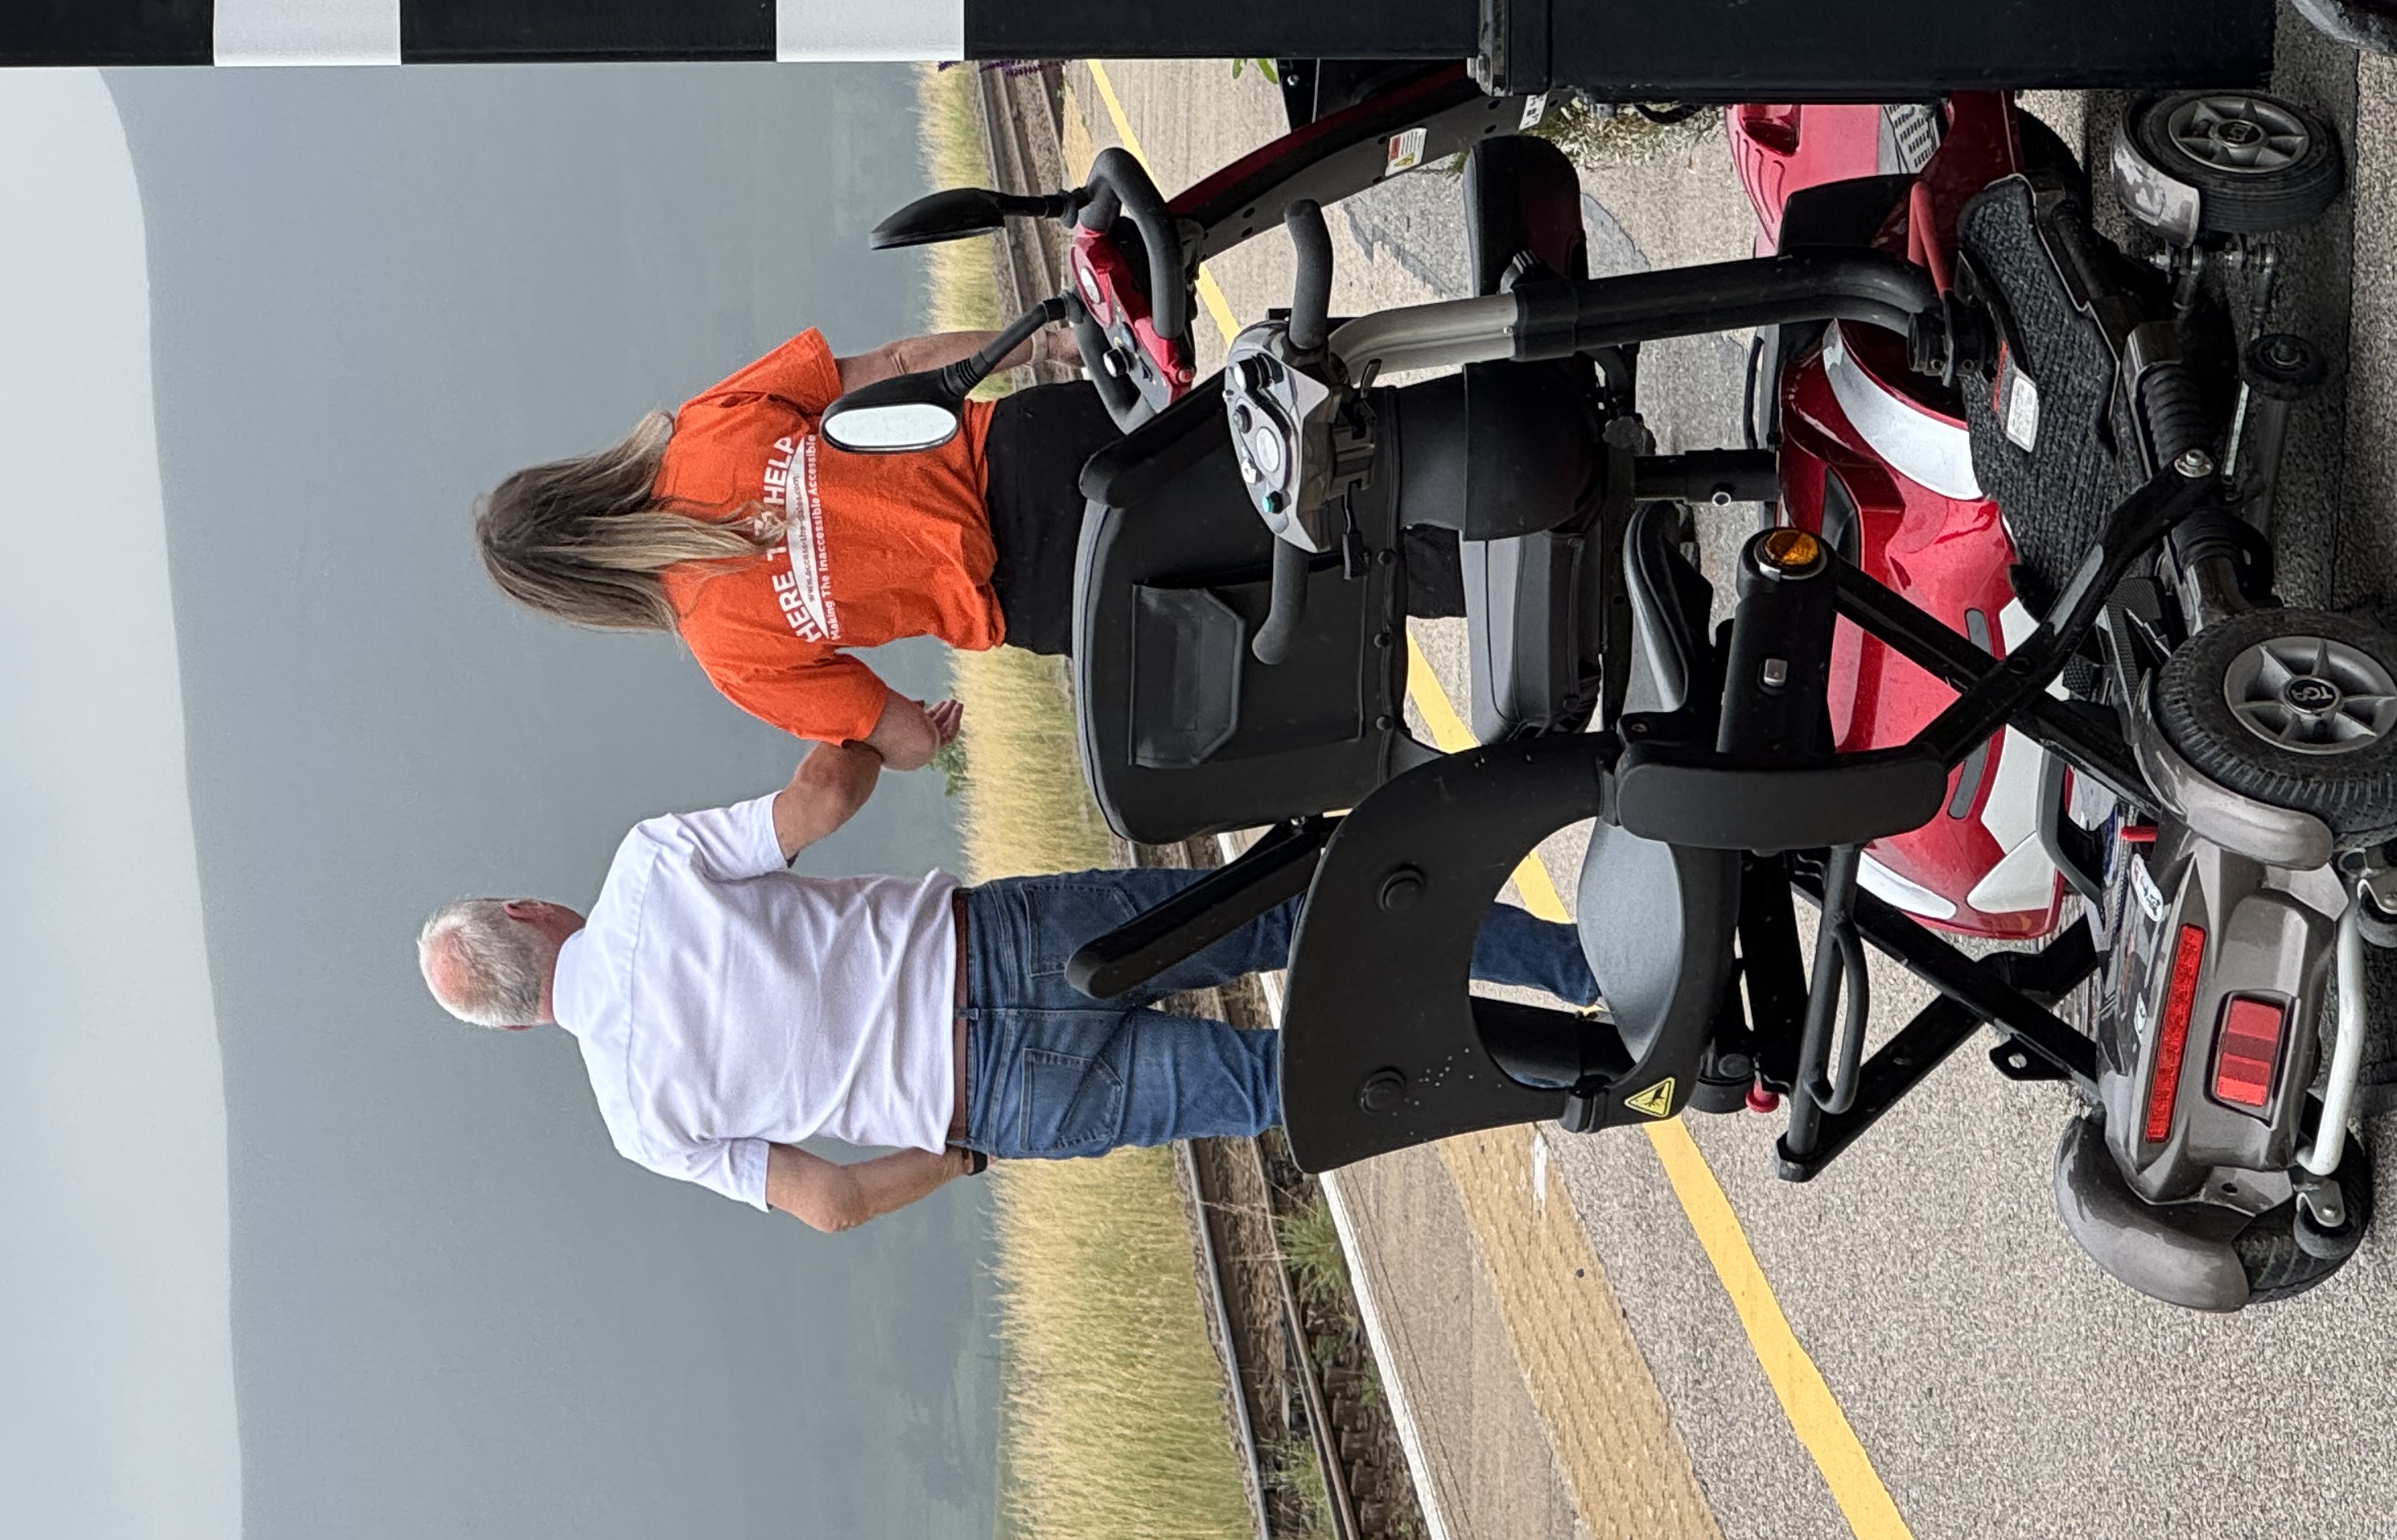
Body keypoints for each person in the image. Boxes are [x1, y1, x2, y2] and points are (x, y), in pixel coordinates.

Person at [414, 737, 1602, 1230]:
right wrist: (874, 729)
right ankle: (1586, 968)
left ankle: (1580, 1071)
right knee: (1298, 916)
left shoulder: (637, 1122)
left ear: (520, 1025)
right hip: (999, 947)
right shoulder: (645, 872)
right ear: (525, 913)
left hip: (999, 1103)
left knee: (1291, 1078)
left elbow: (832, 1204)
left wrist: (968, 1152)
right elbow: (818, 802)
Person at [473, 320, 1120, 770]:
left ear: (580, 597)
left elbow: (903, 736)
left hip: (1052, 594)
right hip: (1030, 445)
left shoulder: (729, 654)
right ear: (575, 476)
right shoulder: (701, 427)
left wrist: (917, 738)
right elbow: (898, 364)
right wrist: (1050, 343)